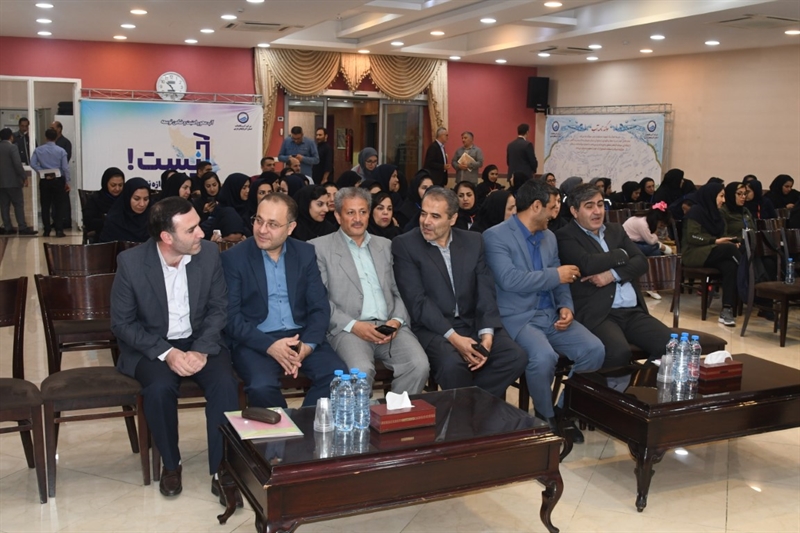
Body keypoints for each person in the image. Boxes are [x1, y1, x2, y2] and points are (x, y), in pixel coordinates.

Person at [110, 196, 240, 500]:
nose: (202, 234)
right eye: (191, 230)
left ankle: (222, 468)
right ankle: (171, 463)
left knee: (225, 383)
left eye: (199, 226)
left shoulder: (208, 253)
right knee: (158, 389)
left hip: (200, 340)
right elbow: (122, 323)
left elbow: (219, 309)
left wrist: (201, 349)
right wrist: (167, 353)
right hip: (153, 344)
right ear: (167, 237)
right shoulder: (131, 263)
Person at [483, 179, 604, 432]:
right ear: (536, 206)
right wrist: (555, 275)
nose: (555, 213)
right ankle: (545, 418)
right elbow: (509, 280)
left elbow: (561, 279)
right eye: (552, 206)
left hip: (550, 314)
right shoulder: (495, 236)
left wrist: (565, 306)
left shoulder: (549, 236)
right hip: (518, 316)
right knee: (543, 357)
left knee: (594, 349)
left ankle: (563, 410)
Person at [392, 187, 526, 397]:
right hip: (433, 328)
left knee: (515, 356)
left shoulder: (473, 241)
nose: (426, 221)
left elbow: (485, 290)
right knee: (452, 365)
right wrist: (455, 338)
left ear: (453, 219)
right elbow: (418, 302)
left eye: (435, 216)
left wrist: (487, 334)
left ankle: (468, 404)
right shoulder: (406, 244)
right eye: (423, 214)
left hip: (471, 322)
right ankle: (471, 409)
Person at [221, 193, 343, 409]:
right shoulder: (234, 258)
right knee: (261, 387)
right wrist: (270, 346)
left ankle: (303, 424)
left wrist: (307, 346)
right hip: (255, 340)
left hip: (300, 336)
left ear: (290, 228)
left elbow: (319, 307)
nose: (262, 230)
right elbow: (231, 317)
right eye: (258, 220)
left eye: (272, 224)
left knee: (338, 378)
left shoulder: (305, 253)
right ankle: (284, 427)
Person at [310, 187, 429, 393]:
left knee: (419, 365)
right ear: (337, 216)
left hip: (390, 327)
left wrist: (396, 321)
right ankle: (362, 414)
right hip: (349, 330)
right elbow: (320, 300)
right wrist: (354, 326)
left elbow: (400, 291)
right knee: (360, 372)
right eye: (350, 212)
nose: (358, 219)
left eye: (363, 212)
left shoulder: (386, 245)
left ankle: (395, 410)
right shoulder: (318, 248)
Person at [556, 184, 673, 369]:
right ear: (574, 211)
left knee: (671, 347)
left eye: (600, 204)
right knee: (618, 353)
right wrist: (621, 254)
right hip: (600, 313)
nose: (597, 211)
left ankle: (638, 384)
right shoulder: (565, 236)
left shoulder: (615, 230)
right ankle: (585, 385)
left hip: (632, 312)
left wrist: (612, 274)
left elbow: (641, 262)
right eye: (589, 206)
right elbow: (588, 264)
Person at [681, 182, 741, 326]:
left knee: (730, 266)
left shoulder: (718, 215)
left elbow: (723, 236)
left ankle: (727, 309)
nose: (723, 200)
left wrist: (730, 242)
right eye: (721, 196)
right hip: (693, 253)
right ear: (711, 196)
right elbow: (692, 237)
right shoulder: (695, 212)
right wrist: (716, 241)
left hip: (712, 252)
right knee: (729, 250)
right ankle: (751, 276)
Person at [30, 128, 70, 237]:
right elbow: (65, 168)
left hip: (45, 180)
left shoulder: (38, 150)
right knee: (59, 205)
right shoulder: (61, 151)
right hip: (58, 180)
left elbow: (32, 163)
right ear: (56, 137)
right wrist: (67, 181)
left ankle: (46, 230)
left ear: (46, 137)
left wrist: (41, 171)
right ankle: (59, 230)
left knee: (45, 205)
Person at [0, 128, 36, 235]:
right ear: (11, 137)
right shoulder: (12, 147)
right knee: (18, 204)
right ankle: (22, 227)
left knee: (4, 205)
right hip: (13, 182)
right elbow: (17, 164)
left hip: (1, 183)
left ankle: (7, 227)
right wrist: (24, 177)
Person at [99, 177, 151, 243]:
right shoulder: (114, 220)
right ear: (127, 197)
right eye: (136, 199)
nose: (142, 204)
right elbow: (105, 246)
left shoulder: (154, 217)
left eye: (146, 199)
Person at [83, 167, 125, 240]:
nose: (117, 189)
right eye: (113, 185)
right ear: (105, 183)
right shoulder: (95, 199)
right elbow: (89, 222)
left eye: (120, 185)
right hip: (103, 237)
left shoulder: (126, 198)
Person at [217, 173, 253, 237]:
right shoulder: (221, 210)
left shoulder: (250, 207)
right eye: (244, 188)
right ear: (234, 189)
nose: (248, 190)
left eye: (249, 187)